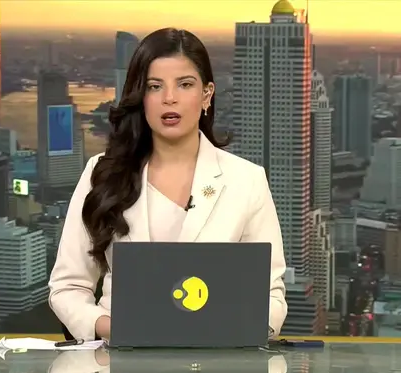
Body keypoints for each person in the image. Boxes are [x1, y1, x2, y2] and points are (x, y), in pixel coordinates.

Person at [48, 27, 287, 341]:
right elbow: (67, 287)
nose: (169, 98)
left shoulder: (246, 180)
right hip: (118, 359)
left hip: (217, 360)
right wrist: (116, 330)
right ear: (141, 98)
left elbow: (270, 296)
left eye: (184, 84)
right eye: (154, 86)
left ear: (206, 95)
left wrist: (223, 333)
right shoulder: (102, 173)